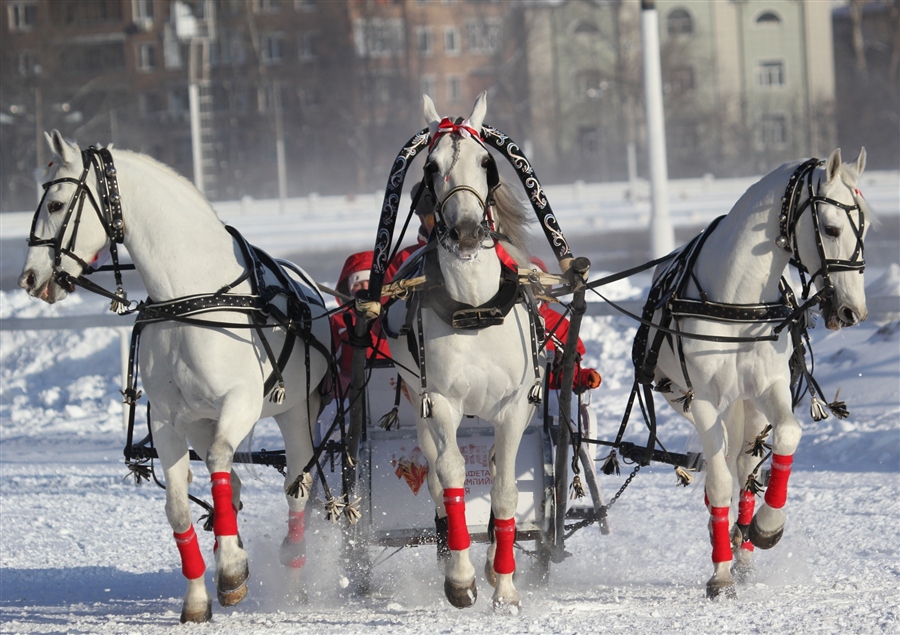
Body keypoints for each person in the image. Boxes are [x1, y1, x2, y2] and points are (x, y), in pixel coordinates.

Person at [529, 257, 601, 392]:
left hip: (547, 399)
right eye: (525, 284)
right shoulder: (500, 323)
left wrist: (583, 378)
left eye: (536, 283)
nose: (531, 289)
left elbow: (567, 369)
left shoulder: (558, 324)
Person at [330, 251, 392, 396]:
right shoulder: (339, 320)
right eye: (358, 284)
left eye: (370, 282)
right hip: (351, 393)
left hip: (395, 387)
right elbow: (327, 363)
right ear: (350, 289)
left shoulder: (395, 315)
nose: (364, 288)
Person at [384, 180, 436, 284]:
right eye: (435, 219)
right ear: (422, 220)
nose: (444, 225)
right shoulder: (402, 261)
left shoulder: (476, 255)